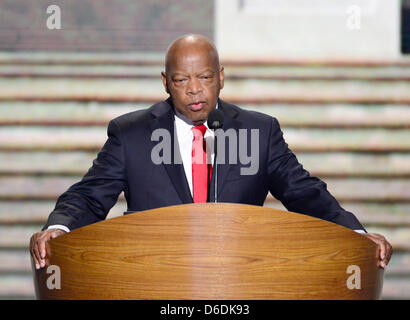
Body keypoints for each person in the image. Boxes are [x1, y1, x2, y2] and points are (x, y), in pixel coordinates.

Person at [30, 34, 392, 271]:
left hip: (240, 278)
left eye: (204, 77)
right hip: (153, 278)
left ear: (221, 77)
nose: (194, 90)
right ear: (165, 82)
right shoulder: (132, 134)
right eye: (181, 80)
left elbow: (304, 192)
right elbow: (90, 195)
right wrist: (59, 227)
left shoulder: (258, 131)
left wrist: (355, 234)